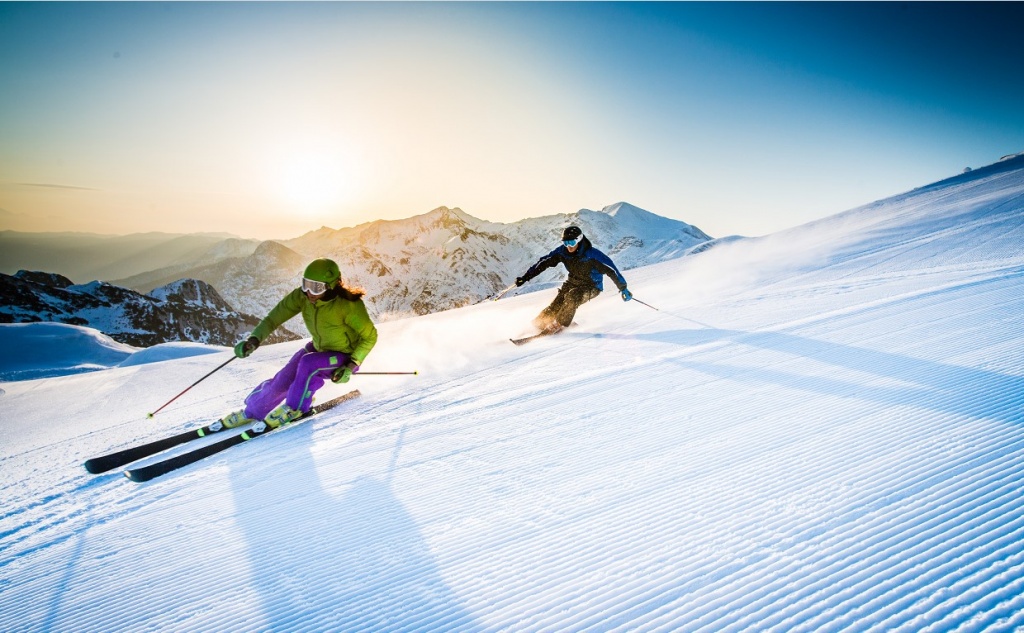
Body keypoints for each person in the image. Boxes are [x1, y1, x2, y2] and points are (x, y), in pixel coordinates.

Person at [221, 258, 377, 431]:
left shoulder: (349, 306)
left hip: (345, 356)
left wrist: (351, 365)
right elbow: (274, 318)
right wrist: (254, 339)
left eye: (316, 287)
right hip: (319, 349)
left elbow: (370, 336)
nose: (309, 292)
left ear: (331, 285)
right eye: (306, 284)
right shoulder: (301, 297)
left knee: (308, 364)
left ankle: (295, 407)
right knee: (283, 379)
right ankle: (252, 411)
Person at [515, 225, 632, 333]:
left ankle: (559, 324)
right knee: (556, 304)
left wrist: (623, 288)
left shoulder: (592, 255)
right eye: (566, 243)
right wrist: (525, 277)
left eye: (571, 242)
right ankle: (539, 324)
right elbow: (543, 263)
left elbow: (612, 270)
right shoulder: (562, 252)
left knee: (572, 297)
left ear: (579, 239)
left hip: (592, 286)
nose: (569, 247)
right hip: (572, 283)